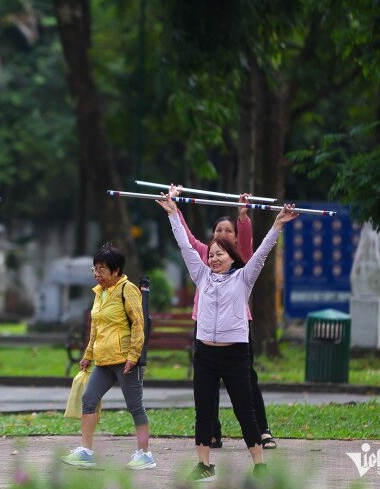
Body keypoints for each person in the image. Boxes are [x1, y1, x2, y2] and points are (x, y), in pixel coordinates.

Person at [157, 193, 297, 482]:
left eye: (220, 253)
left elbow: (262, 253)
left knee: (245, 410)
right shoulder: (201, 276)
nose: (214, 258)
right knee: (203, 411)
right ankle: (204, 465)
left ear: (232, 257)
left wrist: (278, 225)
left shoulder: (244, 278)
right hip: (205, 355)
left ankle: (259, 466)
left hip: (235, 355)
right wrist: (173, 212)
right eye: (211, 254)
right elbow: (184, 244)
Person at [170, 185, 276, 450]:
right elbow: (185, 241)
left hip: (237, 332)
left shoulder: (241, 266)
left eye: (229, 231)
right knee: (206, 388)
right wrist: (173, 208)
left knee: (245, 383)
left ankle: (261, 431)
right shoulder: (205, 259)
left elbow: (254, 249)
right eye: (219, 231)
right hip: (205, 330)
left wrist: (244, 217)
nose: (222, 235)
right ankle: (211, 435)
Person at [61, 243, 156, 471]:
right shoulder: (99, 293)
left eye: (102, 269)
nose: (97, 274)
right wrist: (88, 355)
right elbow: (96, 328)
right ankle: (86, 451)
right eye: (95, 269)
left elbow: (138, 324)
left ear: (116, 271)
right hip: (104, 360)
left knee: (135, 406)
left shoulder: (127, 290)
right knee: (88, 399)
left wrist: (133, 356)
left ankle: (145, 455)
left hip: (125, 361)